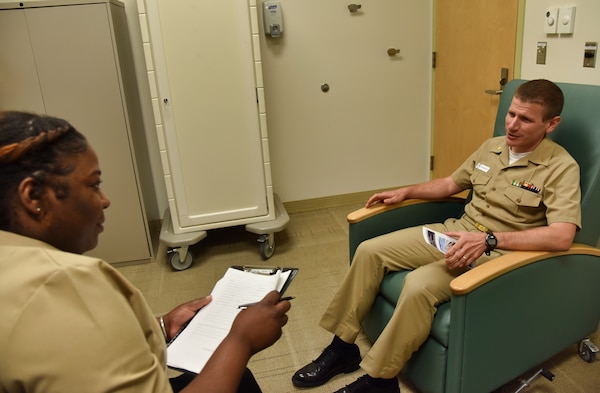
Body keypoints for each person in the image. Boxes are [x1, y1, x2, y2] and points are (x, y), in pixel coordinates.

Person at [291, 79, 581, 393]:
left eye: (525, 119)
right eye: (511, 114)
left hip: (497, 254)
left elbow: (561, 236)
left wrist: (489, 241)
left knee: (418, 285)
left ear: (551, 124)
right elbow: (449, 184)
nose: (512, 124)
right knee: (369, 250)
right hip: (457, 231)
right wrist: (406, 192)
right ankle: (343, 348)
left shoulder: (561, 167)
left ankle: (380, 381)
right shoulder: (492, 146)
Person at [0, 111, 291, 393]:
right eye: (93, 185)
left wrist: (162, 326)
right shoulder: (63, 282)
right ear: (33, 196)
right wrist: (241, 342)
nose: (104, 201)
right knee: (235, 370)